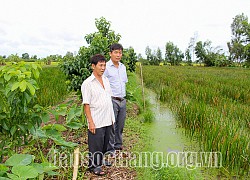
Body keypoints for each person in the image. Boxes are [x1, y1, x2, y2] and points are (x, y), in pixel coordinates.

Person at [81, 54, 115, 176]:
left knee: (105, 144)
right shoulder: (88, 83)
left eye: (104, 65)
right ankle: (93, 166)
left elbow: (108, 99)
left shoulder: (106, 80)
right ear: (93, 66)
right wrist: (90, 121)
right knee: (95, 144)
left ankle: (100, 161)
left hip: (107, 118)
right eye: (100, 65)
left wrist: (112, 117)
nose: (103, 68)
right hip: (97, 119)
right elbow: (86, 104)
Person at [104, 43, 128, 155]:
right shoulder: (106, 67)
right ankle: (110, 148)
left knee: (120, 124)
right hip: (112, 99)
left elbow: (124, 82)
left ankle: (118, 144)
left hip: (122, 99)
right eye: (116, 52)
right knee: (111, 125)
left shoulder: (123, 67)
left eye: (120, 53)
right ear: (110, 53)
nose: (118, 55)